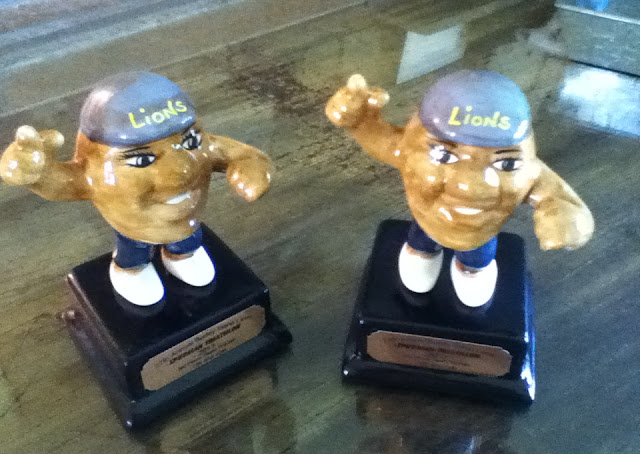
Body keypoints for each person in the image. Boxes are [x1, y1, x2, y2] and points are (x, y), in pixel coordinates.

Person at [1, 71, 272, 306]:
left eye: (189, 142)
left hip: (188, 222)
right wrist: (38, 175)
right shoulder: (94, 170)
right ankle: (131, 269)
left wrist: (250, 164)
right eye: (141, 160)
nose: (182, 171)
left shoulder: (204, 143)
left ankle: (181, 255)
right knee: (133, 250)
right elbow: (65, 183)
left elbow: (237, 152)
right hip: (135, 228)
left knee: (188, 241)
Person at [326, 70, 593, 307]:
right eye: (443, 155)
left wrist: (564, 213)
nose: (470, 188)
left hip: (479, 236)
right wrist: (360, 120)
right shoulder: (407, 149)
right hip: (428, 223)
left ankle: (471, 269)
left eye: (506, 163)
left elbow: (558, 197)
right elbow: (378, 137)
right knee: (421, 248)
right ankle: (424, 254)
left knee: (475, 261)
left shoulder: (530, 170)